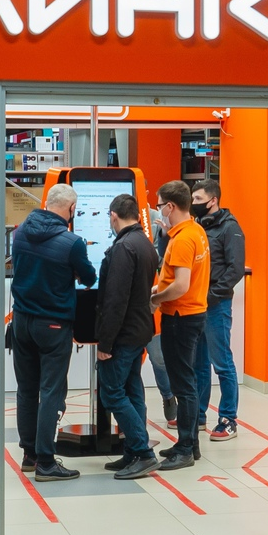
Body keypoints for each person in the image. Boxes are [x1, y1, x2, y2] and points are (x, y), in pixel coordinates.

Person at [10, 183, 97, 481]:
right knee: (51, 391)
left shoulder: (20, 232)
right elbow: (89, 277)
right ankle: (46, 461)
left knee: (26, 389)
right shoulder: (72, 243)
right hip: (53, 324)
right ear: (72, 208)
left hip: (21, 320)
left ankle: (30, 454)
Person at [95, 194, 161, 479]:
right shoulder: (145, 243)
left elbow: (116, 299)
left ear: (113, 216)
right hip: (139, 330)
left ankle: (143, 453)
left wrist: (105, 342)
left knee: (111, 393)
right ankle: (133, 451)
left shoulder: (123, 247)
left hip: (123, 334)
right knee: (132, 390)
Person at [150, 181, 211, 470]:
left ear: (170, 206)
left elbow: (181, 285)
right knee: (187, 381)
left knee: (183, 385)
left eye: (160, 205)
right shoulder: (195, 231)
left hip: (180, 316)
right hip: (192, 314)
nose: (159, 210)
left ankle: (186, 448)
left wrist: (156, 299)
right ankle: (190, 444)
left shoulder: (184, 239)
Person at [191, 179, 247, 441]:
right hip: (197, 303)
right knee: (199, 363)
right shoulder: (199, 226)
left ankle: (228, 419)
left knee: (222, 363)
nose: (194, 203)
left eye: (199, 199)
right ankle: (198, 415)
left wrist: (211, 296)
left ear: (213, 200)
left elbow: (235, 270)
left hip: (216, 304)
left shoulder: (230, 228)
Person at [146, 205, 177, 426]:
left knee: (158, 358)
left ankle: (168, 396)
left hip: (152, 300)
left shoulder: (155, 218)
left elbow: (163, 259)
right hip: (127, 301)